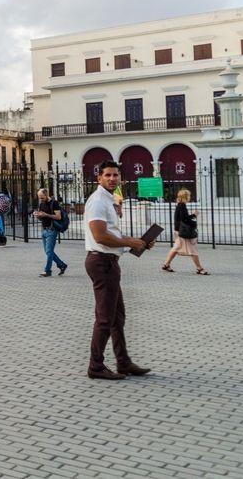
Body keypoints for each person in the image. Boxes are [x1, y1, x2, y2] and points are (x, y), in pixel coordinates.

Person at [84, 159, 154, 380]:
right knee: (105, 318)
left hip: (109, 262)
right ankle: (95, 366)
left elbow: (111, 234)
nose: (112, 178)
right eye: (108, 175)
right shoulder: (97, 201)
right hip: (101, 261)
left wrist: (138, 242)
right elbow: (100, 236)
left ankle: (123, 362)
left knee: (117, 317)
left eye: (116, 175)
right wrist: (131, 243)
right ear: (99, 178)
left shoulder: (109, 200)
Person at [162, 189, 209, 275]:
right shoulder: (182, 205)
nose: (190, 197)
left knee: (176, 248)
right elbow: (185, 219)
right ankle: (199, 268)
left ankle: (166, 264)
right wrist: (194, 216)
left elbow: (182, 218)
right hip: (183, 232)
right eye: (189, 195)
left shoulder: (179, 205)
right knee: (192, 250)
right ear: (185, 196)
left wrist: (192, 216)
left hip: (178, 230)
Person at [33, 188, 68, 277]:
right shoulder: (41, 204)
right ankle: (62, 265)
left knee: (49, 251)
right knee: (48, 252)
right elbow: (42, 217)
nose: (40, 199)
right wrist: (38, 215)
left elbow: (58, 217)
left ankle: (47, 271)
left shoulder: (54, 203)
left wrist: (46, 215)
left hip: (52, 230)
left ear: (46, 194)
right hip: (44, 230)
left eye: (42, 197)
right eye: (39, 198)